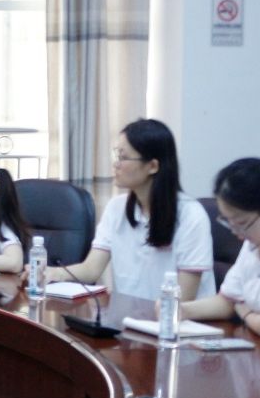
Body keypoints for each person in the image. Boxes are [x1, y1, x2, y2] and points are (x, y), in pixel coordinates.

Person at [44, 118, 214, 301]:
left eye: (123, 157)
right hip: (129, 315)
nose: (116, 164)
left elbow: (184, 300)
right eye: (116, 155)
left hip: (173, 317)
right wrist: (52, 273)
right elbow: (91, 269)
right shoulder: (116, 208)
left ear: (153, 166)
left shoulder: (191, 216)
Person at [182, 158, 260, 343]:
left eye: (242, 223)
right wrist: (182, 310)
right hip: (257, 349)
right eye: (229, 223)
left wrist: (245, 312)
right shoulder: (256, 240)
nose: (236, 233)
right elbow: (227, 301)